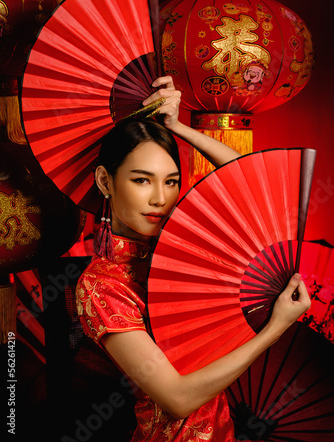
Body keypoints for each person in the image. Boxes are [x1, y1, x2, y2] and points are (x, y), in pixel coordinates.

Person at [76, 76, 311, 441]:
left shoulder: (185, 249)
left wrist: (179, 127)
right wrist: (275, 328)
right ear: (105, 181)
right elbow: (177, 400)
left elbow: (256, 181)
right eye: (142, 181)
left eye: (171, 181)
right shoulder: (102, 285)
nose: (160, 199)